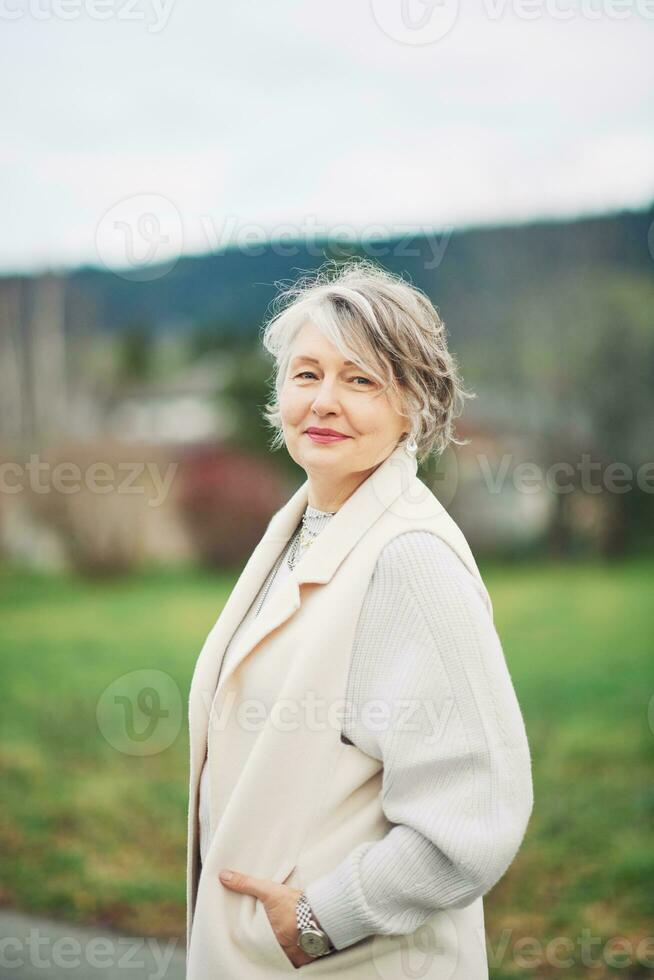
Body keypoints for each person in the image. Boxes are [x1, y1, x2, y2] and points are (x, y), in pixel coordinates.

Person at [185, 258, 534, 978]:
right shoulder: (304, 527)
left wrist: (318, 921)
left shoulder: (410, 558)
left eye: (361, 379)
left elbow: (478, 816)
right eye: (307, 374)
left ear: (414, 405)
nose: (324, 401)